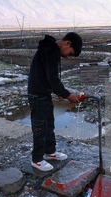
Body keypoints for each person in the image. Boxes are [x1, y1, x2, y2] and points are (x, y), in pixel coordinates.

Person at [27, 32, 82, 171]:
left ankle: (50, 152)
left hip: (43, 94)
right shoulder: (50, 49)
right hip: (37, 95)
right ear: (67, 43)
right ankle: (37, 159)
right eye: (70, 52)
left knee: (49, 124)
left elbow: (47, 76)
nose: (68, 56)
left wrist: (57, 91)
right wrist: (67, 94)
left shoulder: (51, 50)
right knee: (40, 127)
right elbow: (52, 77)